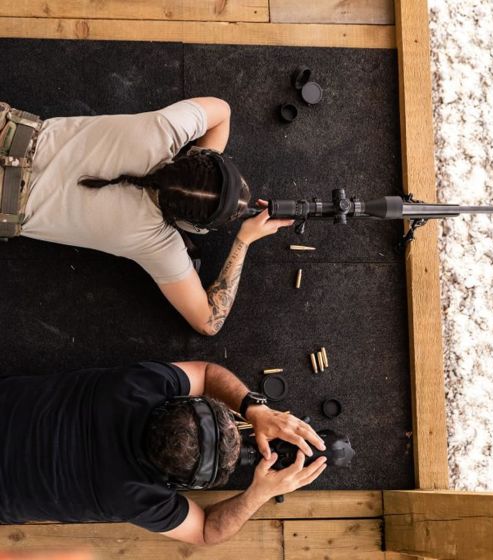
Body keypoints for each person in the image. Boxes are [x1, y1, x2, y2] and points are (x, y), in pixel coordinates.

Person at [0, 98, 293, 335]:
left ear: (195, 157)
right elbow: (209, 322)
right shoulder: (155, 242)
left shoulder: (165, 129)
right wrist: (244, 240)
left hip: (11, 132)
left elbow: (222, 111)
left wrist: (200, 181)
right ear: (190, 226)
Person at [0, 360, 327, 545]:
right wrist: (259, 493)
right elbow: (206, 531)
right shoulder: (136, 497)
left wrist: (253, 409)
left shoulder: (134, 388)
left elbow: (206, 373)